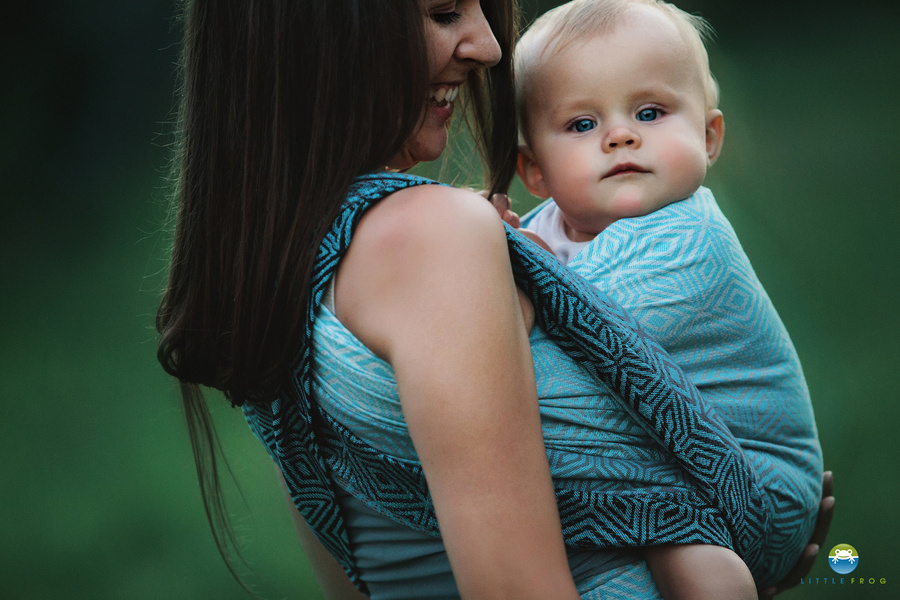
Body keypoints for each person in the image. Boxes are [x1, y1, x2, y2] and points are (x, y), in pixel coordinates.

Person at [155, 1, 832, 598]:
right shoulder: (437, 237)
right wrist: (733, 514)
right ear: (325, 28)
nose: (488, 45)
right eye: (445, 11)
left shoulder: (274, 279)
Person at [508, 0, 823, 597]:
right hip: (664, 457)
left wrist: (508, 267)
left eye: (649, 112)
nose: (621, 135)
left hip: (755, 480)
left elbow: (566, 333)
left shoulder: (688, 242)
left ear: (709, 137)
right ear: (536, 172)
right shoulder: (549, 227)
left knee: (679, 542)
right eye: (581, 125)